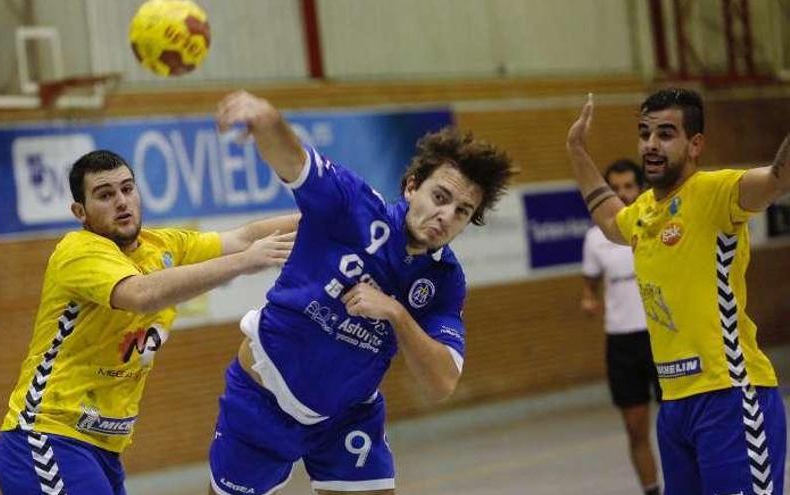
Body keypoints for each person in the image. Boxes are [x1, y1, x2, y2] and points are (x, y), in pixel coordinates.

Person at [207, 90, 514, 495]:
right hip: (264, 397)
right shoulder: (352, 206)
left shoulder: (445, 280)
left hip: (347, 417)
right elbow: (294, 161)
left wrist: (396, 314)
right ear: (411, 187)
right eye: (440, 197)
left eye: (462, 211)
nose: (446, 216)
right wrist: (267, 119)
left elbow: (442, 383)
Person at [0, 149, 299, 495]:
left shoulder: (163, 245)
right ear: (80, 212)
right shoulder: (78, 251)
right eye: (105, 195)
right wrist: (245, 263)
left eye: (127, 189)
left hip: (103, 448)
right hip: (46, 435)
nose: (121, 202)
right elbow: (142, 294)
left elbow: (245, 237)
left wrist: (332, 212)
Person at [566, 88, 789, 495]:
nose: (651, 144)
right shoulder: (645, 211)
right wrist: (577, 149)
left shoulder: (717, 192)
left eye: (666, 134)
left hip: (729, 396)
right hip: (675, 405)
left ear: (695, 144)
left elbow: (777, 179)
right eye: (645, 133)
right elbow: (610, 218)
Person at [580, 159, 662, 495]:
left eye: (629, 186)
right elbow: (589, 284)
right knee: (634, 427)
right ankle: (653, 490)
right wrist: (587, 299)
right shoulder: (595, 238)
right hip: (621, 343)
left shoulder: (657, 224)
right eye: (615, 188)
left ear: (640, 188)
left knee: (677, 424)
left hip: (660, 337)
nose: (623, 194)